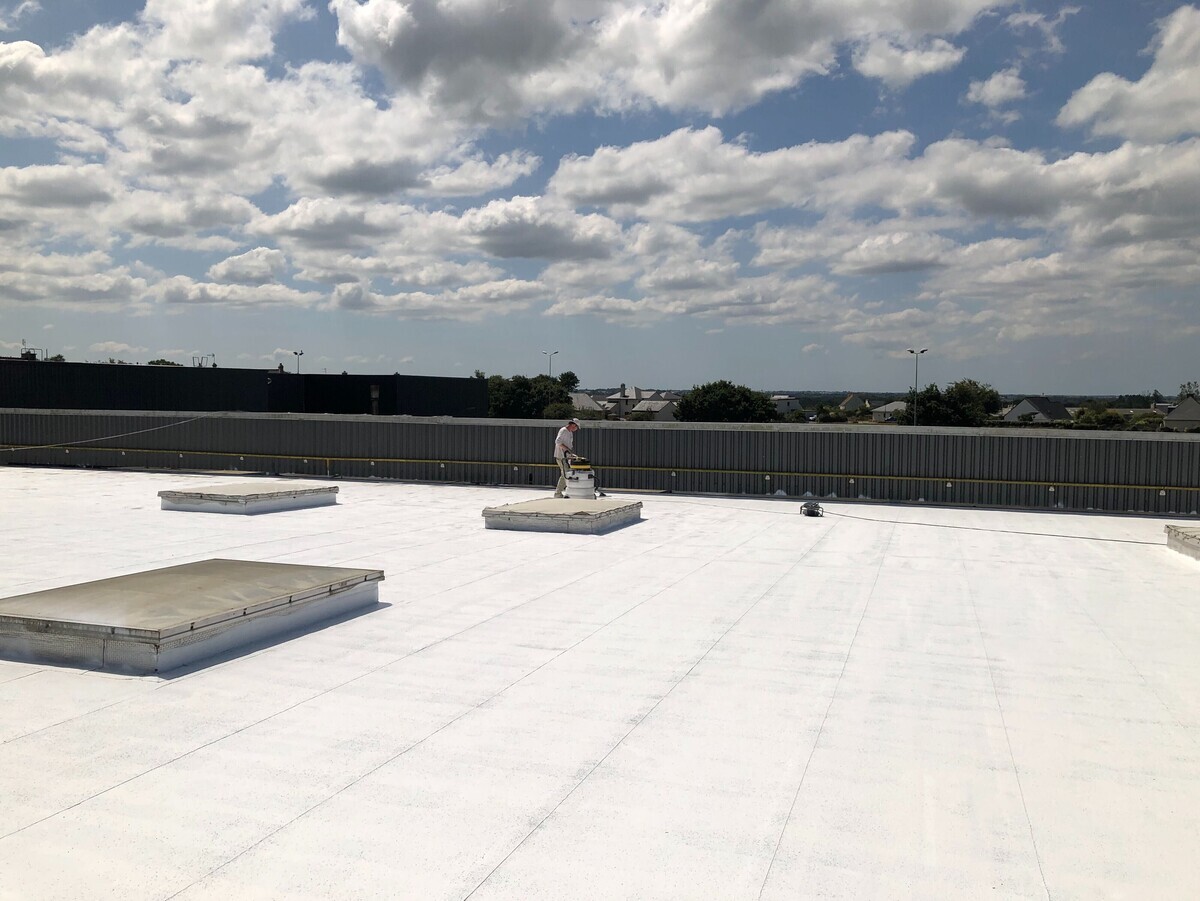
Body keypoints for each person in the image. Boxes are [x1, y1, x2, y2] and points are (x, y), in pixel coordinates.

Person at [553, 418, 580, 497]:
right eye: (576, 427)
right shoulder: (563, 430)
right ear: (573, 425)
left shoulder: (570, 433)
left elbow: (568, 445)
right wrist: (567, 450)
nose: (576, 429)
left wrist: (571, 454)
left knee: (565, 474)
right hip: (561, 456)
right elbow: (558, 442)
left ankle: (559, 493)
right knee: (566, 474)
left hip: (566, 457)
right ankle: (559, 493)